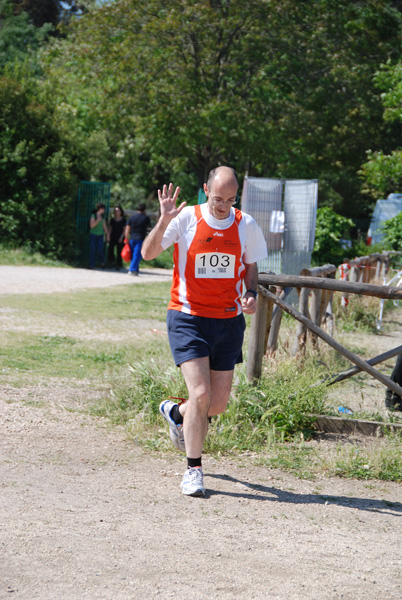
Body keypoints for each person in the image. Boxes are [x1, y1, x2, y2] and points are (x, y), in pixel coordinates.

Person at [141, 166, 268, 497]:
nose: (223, 206)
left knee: (217, 404)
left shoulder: (246, 225)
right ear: (205, 190)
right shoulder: (186, 219)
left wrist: (251, 294)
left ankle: (175, 412)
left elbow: (251, 267)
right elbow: (147, 253)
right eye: (217, 199)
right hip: (188, 316)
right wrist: (163, 219)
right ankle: (193, 470)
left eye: (230, 199)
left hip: (227, 321)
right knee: (200, 394)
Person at [124, 203, 151, 276]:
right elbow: (150, 228)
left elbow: (127, 228)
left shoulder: (132, 217)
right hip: (140, 238)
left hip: (132, 238)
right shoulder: (146, 218)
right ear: (144, 210)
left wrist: (126, 238)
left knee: (133, 255)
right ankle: (132, 270)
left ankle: (135, 269)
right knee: (137, 255)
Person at [89, 203, 109, 269]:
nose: (104, 210)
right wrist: (97, 220)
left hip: (100, 235)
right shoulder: (93, 215)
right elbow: (91, 226)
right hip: (93, 234)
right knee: (93, 249)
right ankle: (91, 264)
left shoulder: (103, 216)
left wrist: (107, 234)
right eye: (104, 209)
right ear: (101, 209)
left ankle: (102, 263)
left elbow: (104, 226)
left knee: (100, 249)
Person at [107, 205, 127, 270]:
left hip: (120, 237)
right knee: (111, 249)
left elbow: (124, 229)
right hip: (113, 236)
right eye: (115, 211)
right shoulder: (112, 220)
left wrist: (122, 237)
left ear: (121, 211)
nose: (116, 212)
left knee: (119, 250)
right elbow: (110, 228)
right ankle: (112, 262)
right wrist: (108, 235)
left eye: (118, 210)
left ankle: (119, 264)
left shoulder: (123, 220)